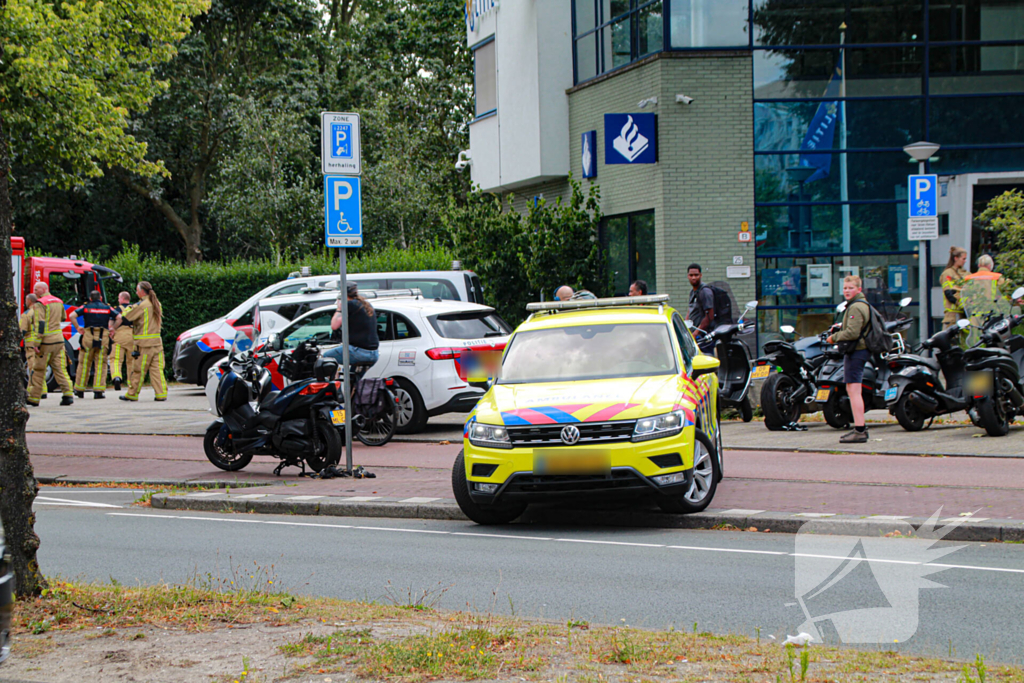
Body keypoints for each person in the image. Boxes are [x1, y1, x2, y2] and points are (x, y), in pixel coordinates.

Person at [827, 275, 871, 443]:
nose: (847, 291)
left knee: (853, 391)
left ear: (859, 289)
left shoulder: (856, 307)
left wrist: (834, 337)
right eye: (845, 288)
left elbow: (853, 333)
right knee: (853, 390)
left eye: (851, 288)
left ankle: (860, 430)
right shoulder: (858, 305)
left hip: (856, 351)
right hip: (859, 350)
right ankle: (859, 428)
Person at [117, 281, 167, 402]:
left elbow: (126, 317)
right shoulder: (157, 303)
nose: (136, 292)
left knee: (138, 370)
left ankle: (132, 394)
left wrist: (127, 308)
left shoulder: (142, 305)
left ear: (142, 292)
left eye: (137, 290)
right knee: (157, 370)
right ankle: (161, 394)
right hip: (157, 343)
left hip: (143, 344)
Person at [27, 282, 74, 406]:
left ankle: (34, 398)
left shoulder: (40, 304)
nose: (34, 292)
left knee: (38, 369)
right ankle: (68, 394)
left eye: (36, 289)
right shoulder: (58, 301)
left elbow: (40, 324)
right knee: (60, 368)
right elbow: (63, 317)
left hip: (46, 342)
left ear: (43, 289)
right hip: (59, 340)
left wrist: (36, 343)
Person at [69, 291, 118, 399]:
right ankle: (98, 391)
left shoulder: (86, 307)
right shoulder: (107, 308)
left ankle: (79, 389)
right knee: (101, 364)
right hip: (103, 337)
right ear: (100, 298)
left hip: (88, 337)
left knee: (84, 363)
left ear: (90, 298)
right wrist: (113, 328)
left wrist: (78, 327)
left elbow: (72, 315)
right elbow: (119, 317)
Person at [323, 282, 380, 368]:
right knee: (352, 379)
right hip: (373, 353)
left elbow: (334, 326)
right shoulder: (365, 304)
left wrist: (339, 308)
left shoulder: (349, 305)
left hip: (358, 351)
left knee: (326, 359)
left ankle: (332, 381)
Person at [18, 293, 46, 400]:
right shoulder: (42, 312)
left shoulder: (26, 314)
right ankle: (43, 390)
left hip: (31, 345)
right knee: (40, 367)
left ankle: (36, 391)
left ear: (29, 301)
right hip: (41, 344)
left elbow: (23, 330)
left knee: (32, 368)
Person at [108, 291, 136, 391]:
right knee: (131, 360)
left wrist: (111, 331)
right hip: (132, 335)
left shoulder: (117, 309)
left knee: (115, 359)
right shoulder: (134, 308)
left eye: (119, 298)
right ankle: (131, 383)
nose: (118, 300)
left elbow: (111, 323)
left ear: (122, 299)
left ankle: (117, 377)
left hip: (119, 335)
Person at [940, 246, 969, 329]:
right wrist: (961, 304)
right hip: (952, 315)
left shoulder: (966, 273)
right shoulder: (948, 273)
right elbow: (949, 294)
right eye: (963, 259)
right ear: (956, 258)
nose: (965, 261)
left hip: (964, 314)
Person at [687, 264, 715, 333]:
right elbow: (690, 310)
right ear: (688, 276)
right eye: (691, 275)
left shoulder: (705, 292)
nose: (693, 278)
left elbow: (709, 316)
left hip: (703, 335)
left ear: (700, 275)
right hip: (692, 332)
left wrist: (695, 334)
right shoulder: (692, 291)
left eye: (696, 275)